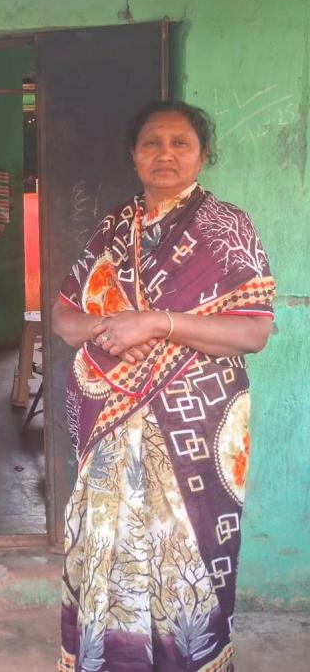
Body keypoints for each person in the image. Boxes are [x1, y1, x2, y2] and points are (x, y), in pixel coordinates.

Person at [52, 100, 275, 672]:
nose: (165, 154)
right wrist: (105, 328)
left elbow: (253, 332)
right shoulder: (111, 229)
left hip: (193, 427)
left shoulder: (227, 227)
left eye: (181, 143)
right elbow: (64, 317)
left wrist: (155, 323)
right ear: (133, 155)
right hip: (109, 427)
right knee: (110, 548)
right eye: (152, 142)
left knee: (186, 556)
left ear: (203, 155)